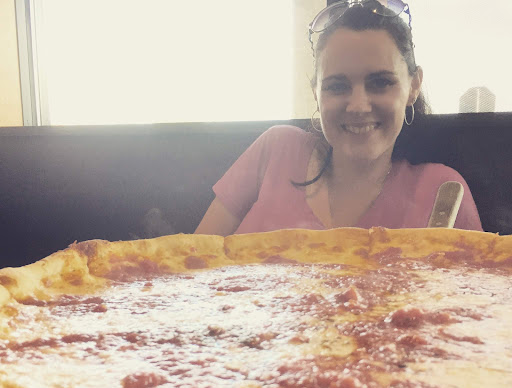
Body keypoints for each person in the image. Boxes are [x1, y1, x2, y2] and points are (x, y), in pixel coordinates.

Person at [195, 0, 482, 236]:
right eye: (337, 86)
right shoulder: (275, 149)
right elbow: (190, 269)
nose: (358, 106)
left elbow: (473, 289)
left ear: (413, 86)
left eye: (380, 82)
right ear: (316, 92)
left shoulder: (444, 192)